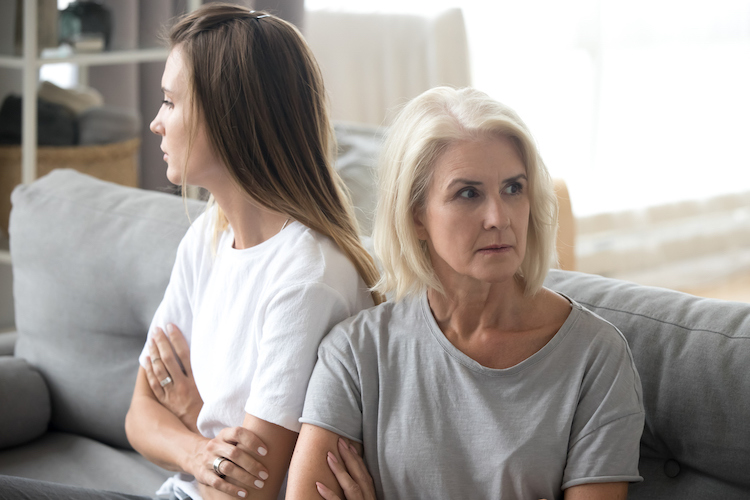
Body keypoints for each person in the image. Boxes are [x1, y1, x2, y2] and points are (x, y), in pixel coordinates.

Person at [0, 4, 379, 500]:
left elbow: (248, 489)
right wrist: (197, 451)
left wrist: (189, 417)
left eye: (171, 103)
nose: (156, 123)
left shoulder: (306, 278)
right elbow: (139, 415)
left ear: (231, 118)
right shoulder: (208, 235)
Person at [286, 86, 645, 500]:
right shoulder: (354, 354)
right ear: (416, 216)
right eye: (468, 193)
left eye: (513, 188)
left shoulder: (596, 357)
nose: (499, 217)